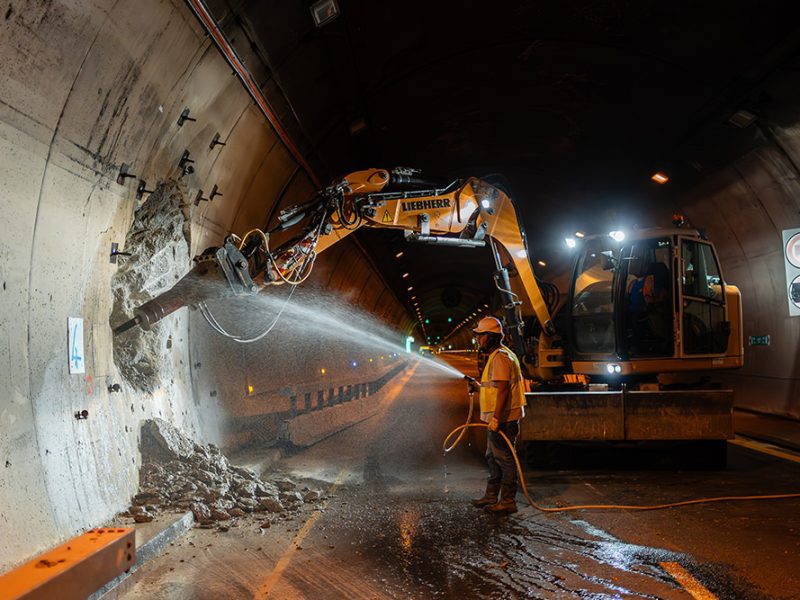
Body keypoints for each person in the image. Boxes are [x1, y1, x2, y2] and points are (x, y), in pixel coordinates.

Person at [468, 316, 527, 514]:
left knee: (504, 459)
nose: (478, 339)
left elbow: (503, 391)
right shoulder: (499, 355)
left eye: (481, 336)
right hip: (499, 418)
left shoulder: (501, 357)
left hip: (503, 419)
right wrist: (477, 387)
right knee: (493, 456)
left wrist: (496, 418)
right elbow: (493, 388)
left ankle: (508, 501)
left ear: (491, 337)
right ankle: (491, 496)